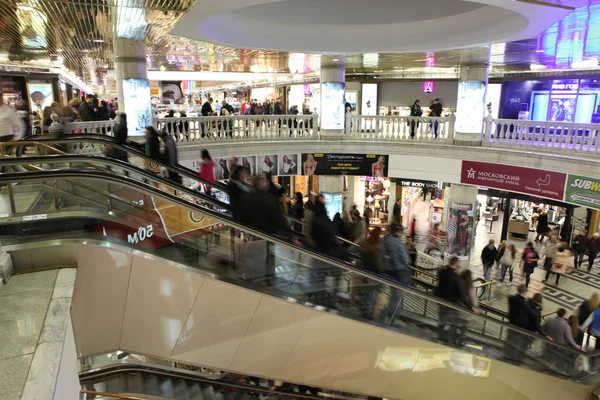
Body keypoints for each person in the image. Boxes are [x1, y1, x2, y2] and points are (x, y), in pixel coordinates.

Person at [435, 257, 478, 344]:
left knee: (441, 320)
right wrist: (471, 307)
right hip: (451, 304)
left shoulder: (441, 272)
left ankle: (440, 337)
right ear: (456, 264)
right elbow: (462, 295)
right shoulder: (456, 277)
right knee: (450, 322)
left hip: (440, 301)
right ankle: (446, 339)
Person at [383, 224, 413, 318]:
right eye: (401, 231)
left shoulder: (385, 240)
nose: (402, 233)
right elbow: (406, 260)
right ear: (397, 232)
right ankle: (392, 319)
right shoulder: (399, 243)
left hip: (388, 271)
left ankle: (387, 314)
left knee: (392, 293)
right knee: (397, 297)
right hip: (399, 273)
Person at [506, 284, 538, 362]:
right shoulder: (524, 303)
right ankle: (512, 359)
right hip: (519, 327)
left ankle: (506, 355)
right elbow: (533, 314)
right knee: (516, 343)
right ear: (524, 292)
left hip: (511, 323)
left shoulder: (511, 298)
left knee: (509, 340)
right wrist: (536, 308)